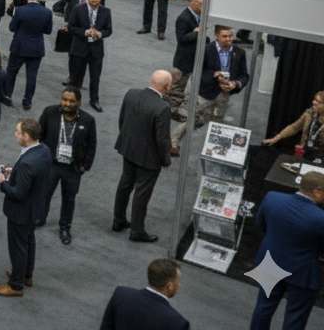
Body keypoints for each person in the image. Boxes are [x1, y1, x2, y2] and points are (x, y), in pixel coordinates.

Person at [248, 173, 324, 330]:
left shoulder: (272, 198)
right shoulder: (320, 218)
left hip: (271, 262)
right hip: (303, 273)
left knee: (263, 307)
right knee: (295, 318)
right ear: (317, 191)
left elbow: (261, 223)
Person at [0, 117, 52, 297]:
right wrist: (15, 172)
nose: (15, 135)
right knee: (29, 240)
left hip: (21, 212)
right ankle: (26, 274)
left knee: (18, 247)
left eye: (18, 133)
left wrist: (3, 183)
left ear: (26, 136)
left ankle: (16, 285)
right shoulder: (44, 150)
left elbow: (18, 194)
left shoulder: (26, 163)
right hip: (35, 207)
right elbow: (34, 176)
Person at [112, 70, 173, 244]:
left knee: (125, 184)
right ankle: (137, 230)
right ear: (167, 85)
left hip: (129, 149)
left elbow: (122, 120)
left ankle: (118, 220)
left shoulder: (131, 94)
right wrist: (165, 160)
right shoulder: (162, 108)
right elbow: (162, 139)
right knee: (142, 193)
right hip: (149, 158)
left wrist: (127, 142)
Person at [171, 26, 249, 155]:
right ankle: (173, 141)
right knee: (192, 119)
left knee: (218, 123)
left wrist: (235, 84)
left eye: (230, 36)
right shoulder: (206, 50)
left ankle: (215, 151)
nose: (228, 39)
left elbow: (244, 75)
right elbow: (198, 71)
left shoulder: (239, 53)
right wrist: (215, 76)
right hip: (205, 93)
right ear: (217, 36)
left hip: (224, 95)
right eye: (224, 36)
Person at [38, 87, 96, 245]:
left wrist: (85, 165)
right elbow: (39, 135)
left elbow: (91, 145)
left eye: (71, 101)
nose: (67, 104)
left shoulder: (87, 120)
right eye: (64, 99)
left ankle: (65, 227)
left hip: (73, 168)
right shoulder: (50, 113)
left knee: (69, 199)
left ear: (78, 102)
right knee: (44, 193)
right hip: (52, 164)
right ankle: (40, 218)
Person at [100, 259, 189, 330]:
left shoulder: (121, 294)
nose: (180, 285)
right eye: (178, 281)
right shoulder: (178, 323)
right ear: (169, 285)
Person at [67, 0, 112, 112]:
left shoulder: (106, 11)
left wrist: (101, 34)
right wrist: (85, 32)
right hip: (79, 48)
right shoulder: (78, 9)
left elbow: (109, 30)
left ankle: (94, 100)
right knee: (75, 76)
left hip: (96, 50)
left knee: (95, 77)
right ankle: (73, 100)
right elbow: (71, 27)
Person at [6, 0, 51, 109]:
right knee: (32, 75)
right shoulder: (47, 12)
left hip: (19, 46)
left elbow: (12, 28)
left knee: (11, 72)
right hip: (36, 47)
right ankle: (27, 100)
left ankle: (7, 96)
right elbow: (48, 31)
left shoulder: (20, 10)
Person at [263, 90, 324, 158]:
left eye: (318, 101)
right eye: (314, 99)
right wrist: (275, 138)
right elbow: (294, 127)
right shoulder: (309, 114)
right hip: (304, 152)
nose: (313, 102)